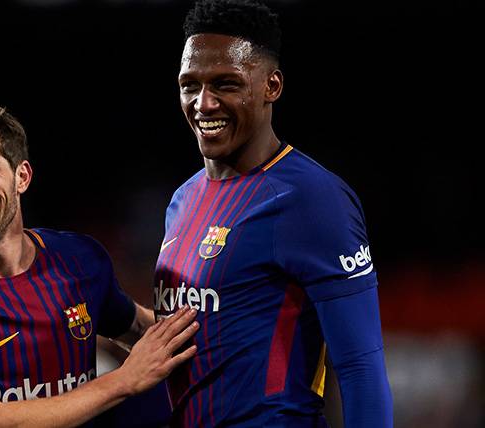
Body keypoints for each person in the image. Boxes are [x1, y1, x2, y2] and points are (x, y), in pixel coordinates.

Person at [0, 94, 198, 427]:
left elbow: (140, 328)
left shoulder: (79, 260)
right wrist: (123, 380)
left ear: (22, 176)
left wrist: (230, 324)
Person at [153, 0, 393, 426]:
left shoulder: (313, 199)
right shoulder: (183, 199)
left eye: (225, 84)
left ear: (272, 86)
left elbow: (360, 368)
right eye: (190, 85)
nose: (203, 104)